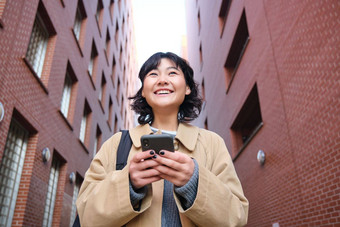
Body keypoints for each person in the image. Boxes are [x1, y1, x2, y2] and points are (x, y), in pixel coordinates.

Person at [76, 52, 249, 226]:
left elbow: (237, 217)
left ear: (187, 88)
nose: (162, 80)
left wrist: (195, 182)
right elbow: (86, 216)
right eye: (153, 74)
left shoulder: (212, 143)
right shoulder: (117, 144)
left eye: (172, 73)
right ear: (143, 90)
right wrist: (128, 183)